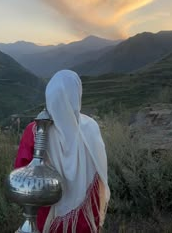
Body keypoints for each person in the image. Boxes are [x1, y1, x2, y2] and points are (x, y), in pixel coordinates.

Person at [15, 70, 110, 233]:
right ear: (77, 95)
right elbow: (100, 167)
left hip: (48, 208)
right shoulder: (91, 127)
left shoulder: (35, 130)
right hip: (86, 207)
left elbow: (21, 169)